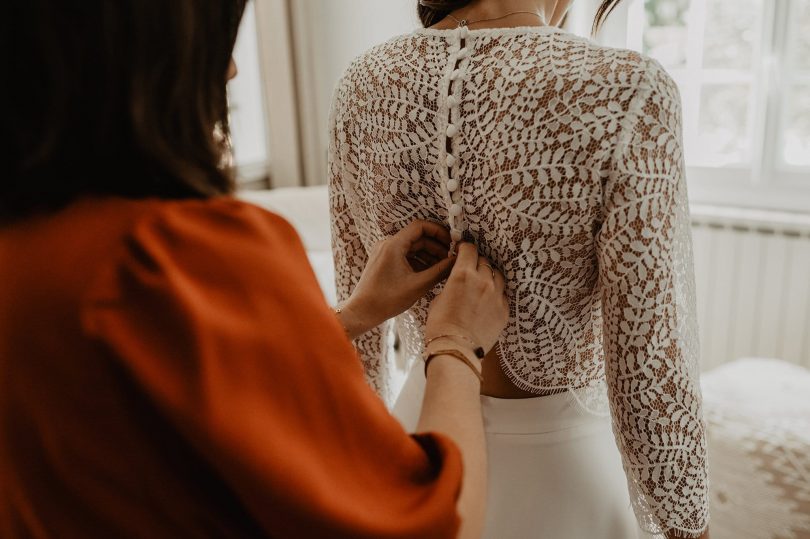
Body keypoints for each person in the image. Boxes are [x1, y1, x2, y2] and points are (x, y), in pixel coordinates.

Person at [1, 1, 510, 537]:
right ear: (141, 55)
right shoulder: (170, 259)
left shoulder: (30, 253)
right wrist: (454, 345)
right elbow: (436, 527)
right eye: (216, 43)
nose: (231, 70)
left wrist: (355, 314)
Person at [328, 0, 711, 537]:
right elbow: (650, 367)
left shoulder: (361, 84)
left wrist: (362, 469)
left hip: (420, 429)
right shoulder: (627, 91)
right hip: (561, 470)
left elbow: (358, 339)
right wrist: (688, 529)